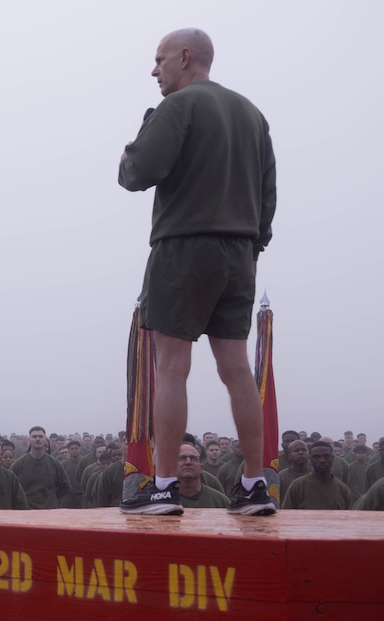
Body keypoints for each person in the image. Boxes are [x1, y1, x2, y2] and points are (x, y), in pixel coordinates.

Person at [118, 28, 278, 517]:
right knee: (236, 368)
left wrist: (142, 134)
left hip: (184, 247)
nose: (154, 70)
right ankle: (254, 486)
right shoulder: (252, 115)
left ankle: (164, 487)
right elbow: (268, 194)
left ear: (185, 58)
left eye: (160, 59)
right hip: (240, 251)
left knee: (171, 365)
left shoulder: (178, 107)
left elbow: (135, 174)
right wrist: (255, 244)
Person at [11, 426, 73, 509]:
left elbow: (65, 486)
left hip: (49, 512)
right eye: (34, 436)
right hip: (26, 512)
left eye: (40, 436)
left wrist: (51, 498)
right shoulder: (18, 464)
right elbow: (10, 487)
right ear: (29, 440)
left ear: (45, 439)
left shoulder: (54, 464)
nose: (37, 439)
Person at [282, 441, 352, 510]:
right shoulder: (297, 486)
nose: (322, 460)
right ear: (310, 459)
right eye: (316, 457)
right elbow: (286, 515)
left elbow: (349, 518)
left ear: (332, 458)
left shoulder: (342, 489)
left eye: (326, 456)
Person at [176, 443, 231, 508]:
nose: (188, 462)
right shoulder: (165, 501)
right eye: (182, 458)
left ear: (201, 468)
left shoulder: (220, 501)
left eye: (193, 458)